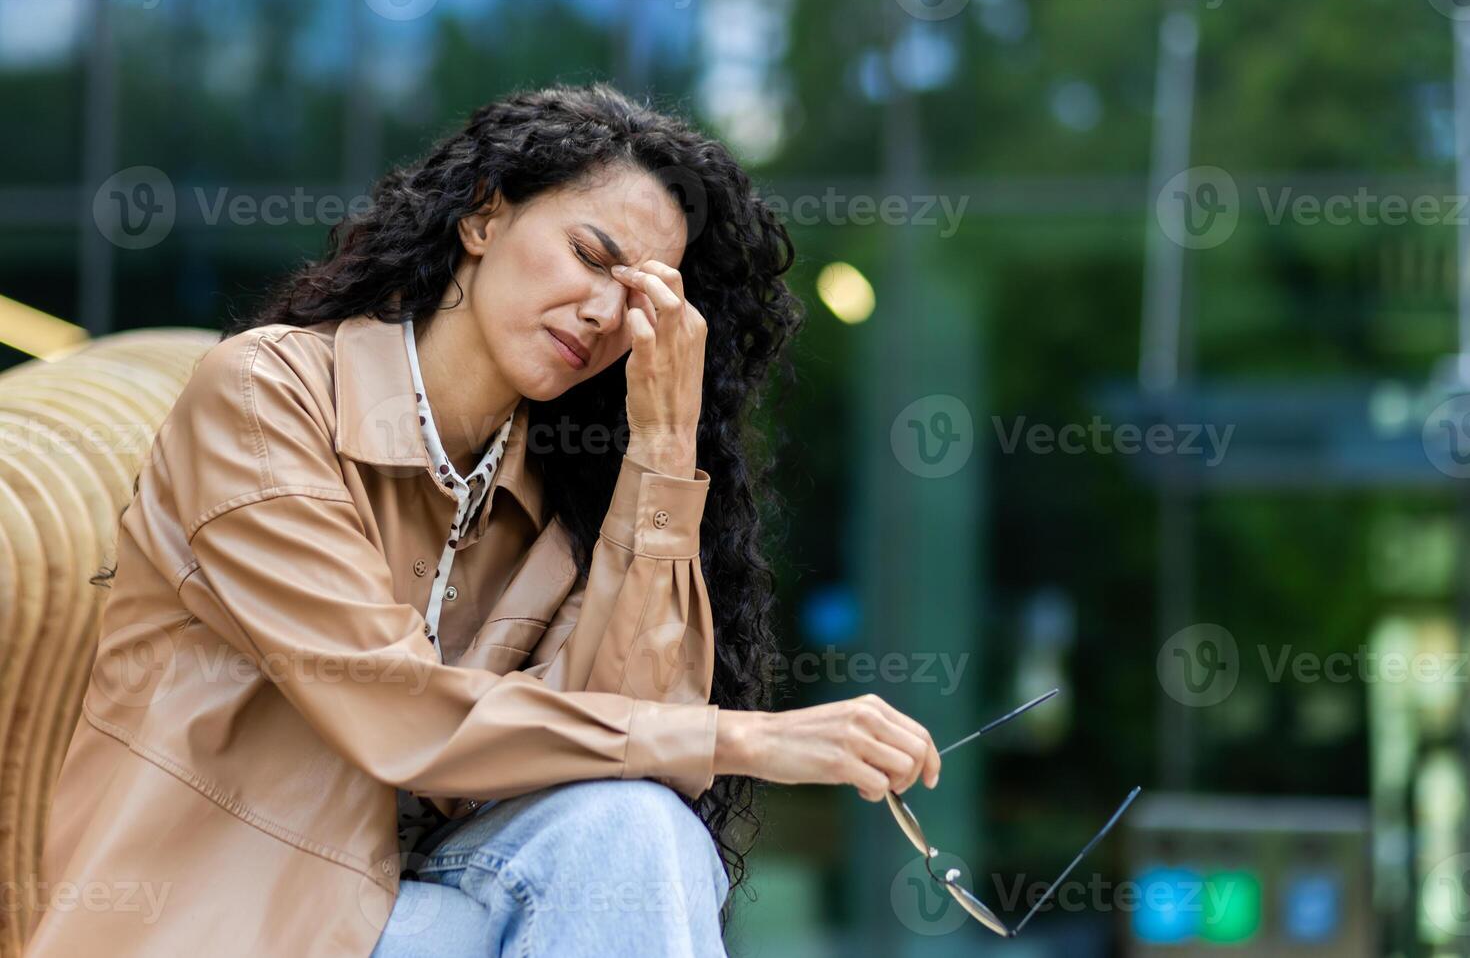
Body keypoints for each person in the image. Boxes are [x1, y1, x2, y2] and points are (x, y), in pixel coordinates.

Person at [26, 82, 941, 958]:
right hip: (222, 922)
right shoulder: (268, 397)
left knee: (632, 828)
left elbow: (633, 751)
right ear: (482, 215)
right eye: (592, 257)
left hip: (420, 913)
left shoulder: (556, 494)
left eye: (643, 299)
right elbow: (392, 710)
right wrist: (749, 738)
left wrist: (662, 447)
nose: (604, 311)